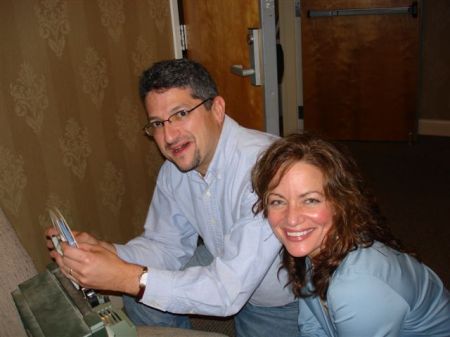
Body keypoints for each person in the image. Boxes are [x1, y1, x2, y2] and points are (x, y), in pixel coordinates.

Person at [45, 58, 299, 337]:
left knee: (136, 281)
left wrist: (124, 276)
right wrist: (107, 253)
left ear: (217, 109)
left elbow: (228, 291)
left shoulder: (268, 169)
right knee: (139, 289)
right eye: (157, 123)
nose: (169, 136)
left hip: (281, 298)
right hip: (222, 260)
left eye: (180, 114)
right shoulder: (174, 171)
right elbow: (165, 246)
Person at [251, 133, 450, 337]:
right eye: (277, 201)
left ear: (341, 204)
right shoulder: (319, 246)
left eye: (310, 200)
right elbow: (312, 324)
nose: (291, 219)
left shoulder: (357, 285)